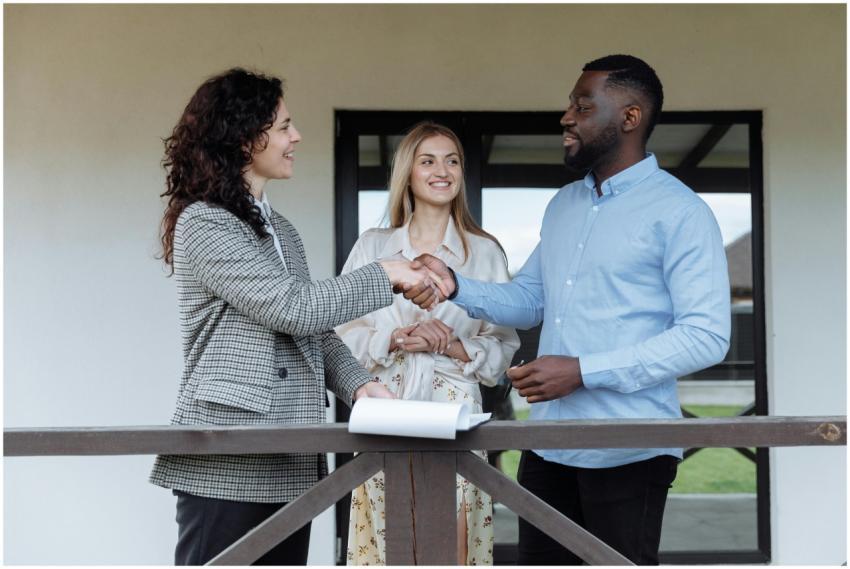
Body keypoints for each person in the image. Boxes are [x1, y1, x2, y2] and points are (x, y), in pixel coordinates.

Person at [405, 55, 731, 565]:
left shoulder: (682, 212)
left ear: (630, 117)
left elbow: (707, 336)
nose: (566, 117)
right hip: (547, 447)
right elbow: (530, 299)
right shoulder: (563, 205)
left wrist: (582, 371)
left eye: (583, 106)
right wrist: (455, 285)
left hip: (630, 451)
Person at [148, 68, 444, 566]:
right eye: (284, 126)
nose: (296, 137)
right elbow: (292, 307)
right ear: (244, 138)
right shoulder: (204, 221)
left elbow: (313, 331)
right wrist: (385, 272)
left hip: (291, 455)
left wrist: (358, 384)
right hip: (228, 454)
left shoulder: (281, 229)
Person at [337, 122, 520, 565]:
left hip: (455, 409)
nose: (442, 171)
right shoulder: (373, 247)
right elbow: (339, 336)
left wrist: (454, 346)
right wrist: (393, 337)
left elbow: (504, 345)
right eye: (428, 161)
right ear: (409, 173)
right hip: (386, 403)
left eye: (452, 161)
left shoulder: (485, 252)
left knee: (450, 544)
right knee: (389, 542)